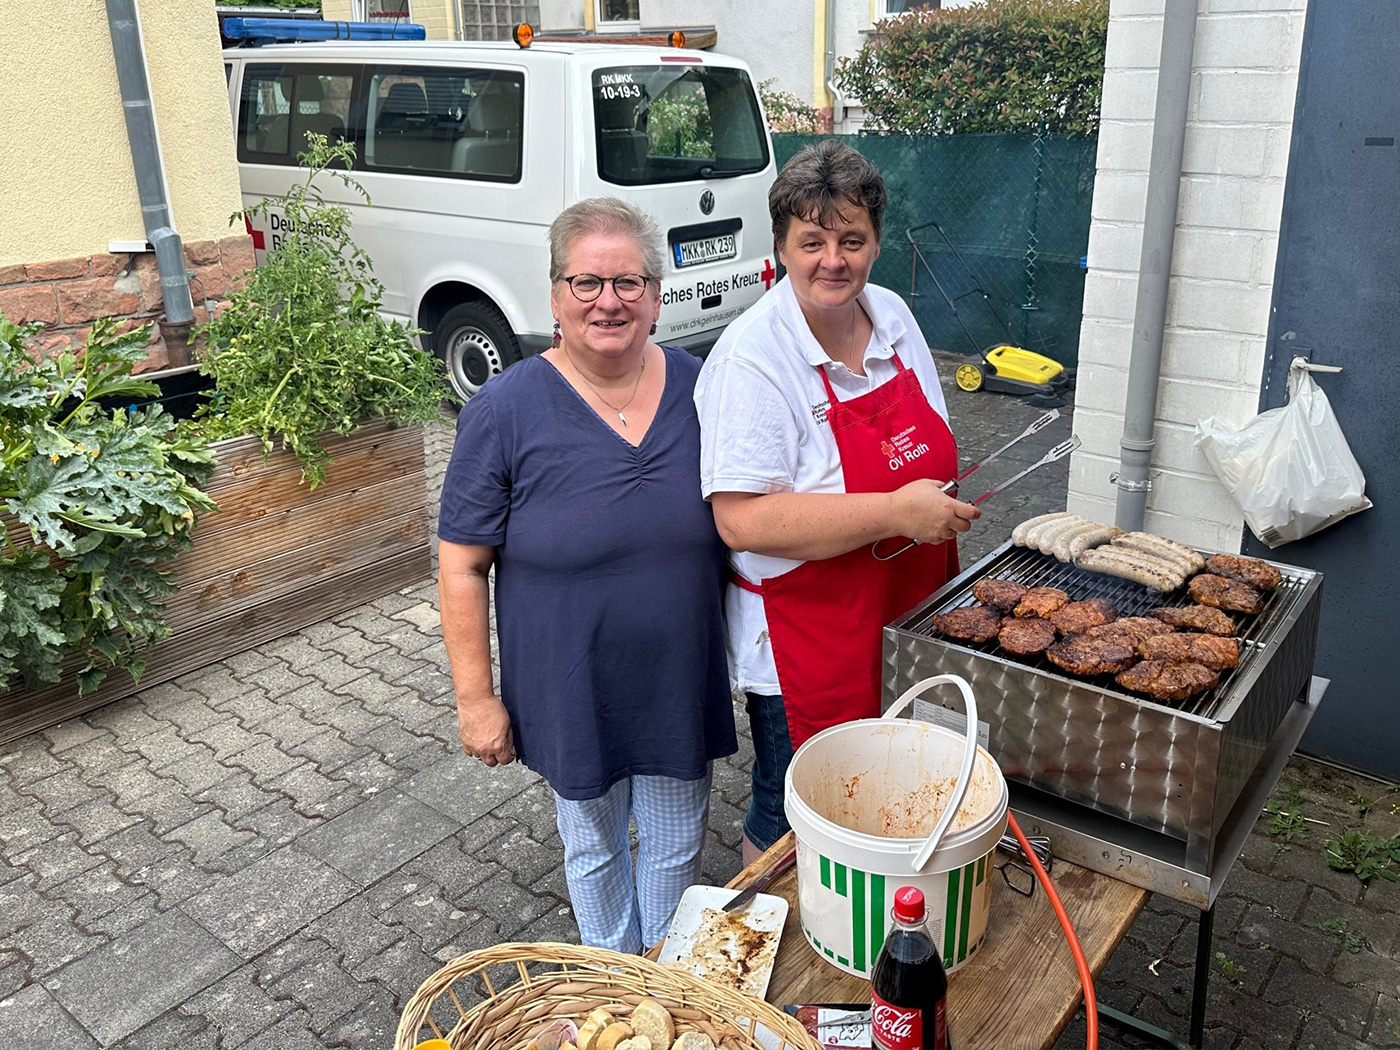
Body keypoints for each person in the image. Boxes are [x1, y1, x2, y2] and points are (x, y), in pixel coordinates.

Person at [437, 197, 737, 953]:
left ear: (656, 298)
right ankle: (612, 968)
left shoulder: (704, 390)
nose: (609, 301)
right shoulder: (503, 411)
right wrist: (476, 698)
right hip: (571, 685)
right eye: (587, 283)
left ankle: (661, 980)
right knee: (595, 846)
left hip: (676, 675)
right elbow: (463, 562)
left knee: (675, 844)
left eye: (629, 283)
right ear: (555, 296)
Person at [695, 141, 980, 863]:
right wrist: (894, 514)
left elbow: (933, 448)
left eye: (852, 239)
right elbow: (741, 519)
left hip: (905, 616)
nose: (833, 260)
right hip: (809, 638)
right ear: (781, 248)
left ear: (877, 243)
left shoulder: (891, 316)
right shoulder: (753, 357)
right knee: (796, 819)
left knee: (888, 795)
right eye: (812, 241)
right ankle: (768, 941)